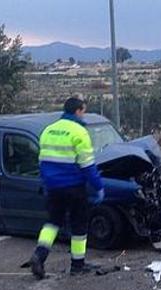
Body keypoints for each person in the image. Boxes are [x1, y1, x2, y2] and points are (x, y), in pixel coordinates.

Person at [29, 97, 105, 279]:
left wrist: (47, 183)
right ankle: (78, 265)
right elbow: (87, 165)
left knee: (53, 222)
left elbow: (42, 162)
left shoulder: (48, 130)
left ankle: (39, 255)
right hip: (74, 186)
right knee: (79, 224)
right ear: (78, 111)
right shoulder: (79, 132)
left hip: (53, 187)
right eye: (83, 111)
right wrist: (99, 186)